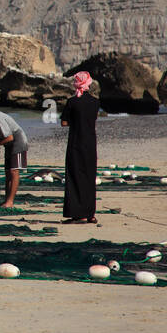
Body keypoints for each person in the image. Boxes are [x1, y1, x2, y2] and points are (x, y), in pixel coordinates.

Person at [60, 71, 99, 224]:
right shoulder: (95, 102)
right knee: (89, 177)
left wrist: (74, 122)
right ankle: (90, 213)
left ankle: (78, 214)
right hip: (90, 144)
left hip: (76, 143)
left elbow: (64, 122)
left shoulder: (72, 102)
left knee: (74, 176)